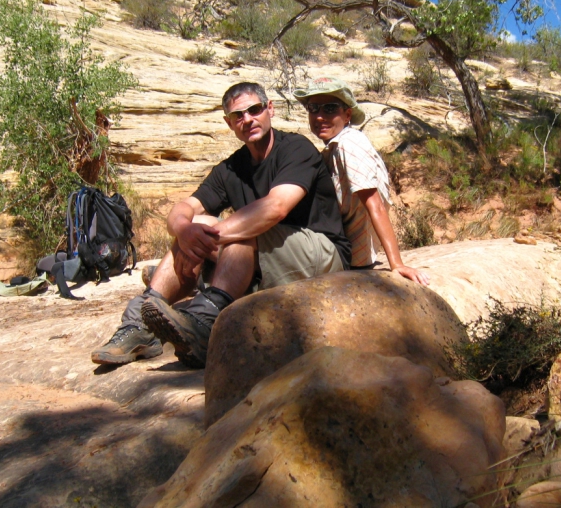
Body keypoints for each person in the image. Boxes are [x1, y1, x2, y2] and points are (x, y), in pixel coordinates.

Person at [91, 82, 350, 367]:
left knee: (241, 227)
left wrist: (210, 238)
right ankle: (140, 324)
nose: (248, 119)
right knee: (197, 224)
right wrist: (183, 230)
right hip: (269, 259)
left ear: (270, 110)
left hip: (323, 256)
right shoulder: (231, 168)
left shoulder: (296, 149)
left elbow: (275, 208)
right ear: (229, 123)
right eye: (238, 115)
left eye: (254, 110)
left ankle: (204, 321)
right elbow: (185, 208)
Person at [294, 77, 430, 286]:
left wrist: (397, 264)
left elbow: (373, 203)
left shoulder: (349, 145)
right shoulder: (335, 147)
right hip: (346, 252)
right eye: (314, 108)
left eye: (330, 108)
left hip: (351, 257)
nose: (320, 117)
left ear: (347, 114)